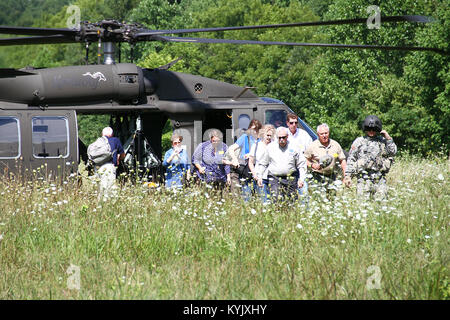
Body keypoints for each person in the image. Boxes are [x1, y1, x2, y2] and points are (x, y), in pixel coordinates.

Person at [344, 115, 397, 200]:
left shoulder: (382, 141)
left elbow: (393, 152)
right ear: (365, 129)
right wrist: (348, 176)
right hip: (363, 179)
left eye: (374, 129)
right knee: (363, 206)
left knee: (381, 205)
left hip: (379, 179)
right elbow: (351, 159)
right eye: (369, 129)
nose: (371, 131)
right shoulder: (359, 141)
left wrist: (388, 138)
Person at [255, 126, 306, 202]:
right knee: (276, 200)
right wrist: (259, 177)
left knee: (291, 202)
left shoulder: (295, 147)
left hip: (291, 178)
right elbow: (263, 163)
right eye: (279, 138)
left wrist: (301, 179)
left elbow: (301, 164)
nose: (281, 140)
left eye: (283, 137)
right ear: (276, 137)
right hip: (275, 178)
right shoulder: (270, 148)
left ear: (287, 137)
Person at [304, 123, 347, 196]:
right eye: (321, 134)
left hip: (332, 176)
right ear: (318, 134)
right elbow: (305, 159)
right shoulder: (313, 146)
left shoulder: (335, 145)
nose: (324, 136)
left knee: (332, 200)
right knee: (319, 200)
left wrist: (345, 176)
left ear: (329, 133)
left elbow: (342, 160)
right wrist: (312, 165)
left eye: (326, 133)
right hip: (317, 177)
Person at [224, 119, 262, 200]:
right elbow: (231, 149)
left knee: (259, 195)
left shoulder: (262, 139)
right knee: (246, 194)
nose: (254, 132)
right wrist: (234, 159)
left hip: (258, 168)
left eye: (256, 129)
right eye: (253, 129)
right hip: (246, 169)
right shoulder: (245, 137)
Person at [286, 113, 312, 197]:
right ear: (287, 123)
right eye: (291, 123)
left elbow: (310, 150)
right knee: (289, 195)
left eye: (296, 122)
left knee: (303, 192)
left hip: (301, 167)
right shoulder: (283, 134)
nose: (294, 125)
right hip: (288, 168)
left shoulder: (304, 135)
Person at [95, 127, 125, 201]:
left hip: (97, 167)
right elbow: (123, 154)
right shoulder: (115, 140)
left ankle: (100, 205)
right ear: (111, 134)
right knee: (111, 189)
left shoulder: (98, 141)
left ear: (102, 134)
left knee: (100, 188)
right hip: (108, 167)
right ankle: (111, 206)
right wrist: (118, 159)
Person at [248, 124, 275, 202]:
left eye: (271, 135)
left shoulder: (275, 146)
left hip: (273, 178)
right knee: (264, 201)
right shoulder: (256, 146)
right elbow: (251, 162)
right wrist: (255, 174)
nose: (269, 137)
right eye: (268, 135)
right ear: (263, 134)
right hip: (260, 177)